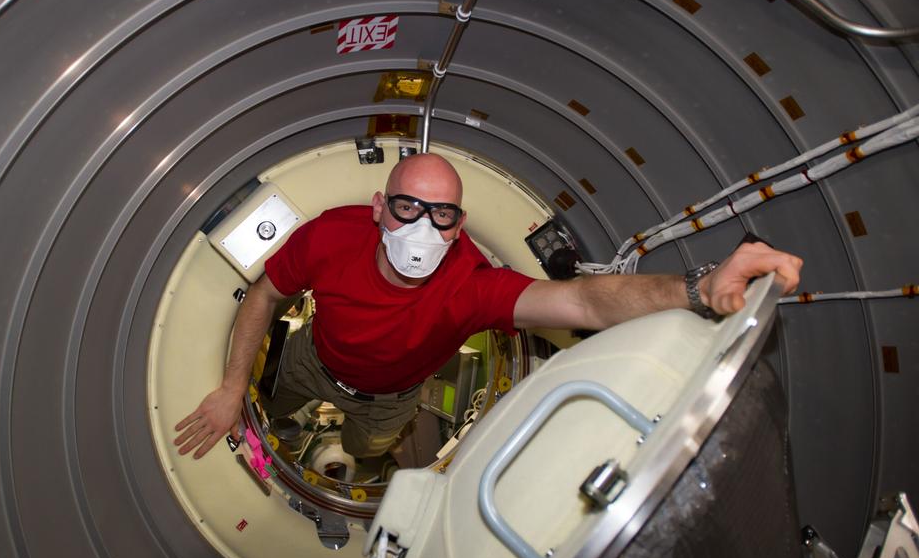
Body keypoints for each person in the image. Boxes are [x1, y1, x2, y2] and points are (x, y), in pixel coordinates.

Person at [174, 153, 803, 459]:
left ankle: (370, 446)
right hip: (312, 360)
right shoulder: (331, 235)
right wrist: (233, 387)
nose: (422, 227)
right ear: (378, 206)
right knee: (274, 405)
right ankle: (281, 423)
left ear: (458, 223)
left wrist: (696, 287)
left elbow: (584, 299)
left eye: (441, 214)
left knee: (368, 449)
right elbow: (267, 292)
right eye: (406, 207)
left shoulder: (472, 283)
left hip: (391, 398)